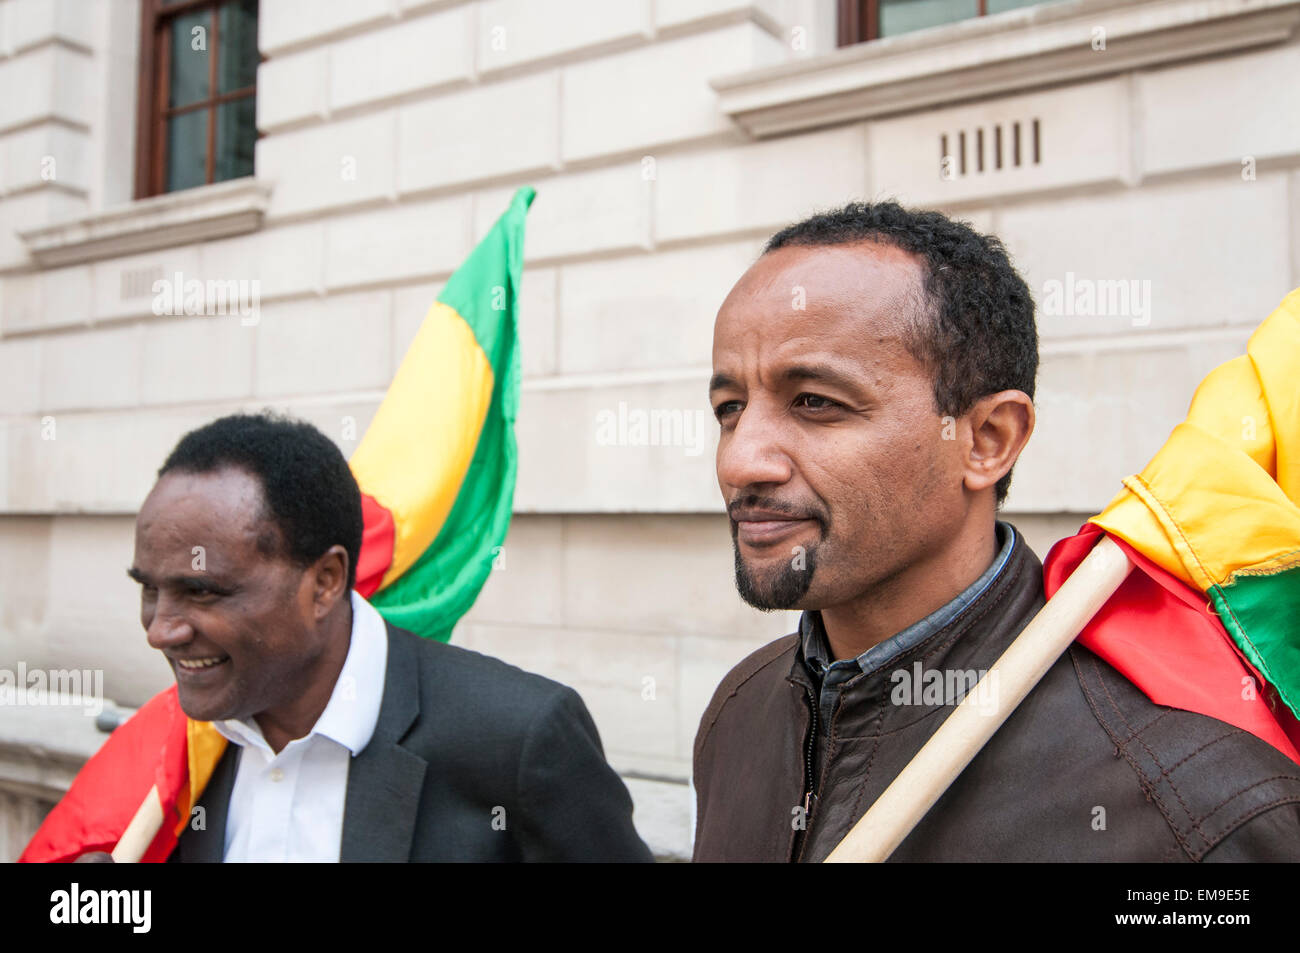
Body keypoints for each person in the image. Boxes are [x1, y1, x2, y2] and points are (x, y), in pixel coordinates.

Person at [691, 201, 1300, 862]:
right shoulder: (738, 714)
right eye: (731, 408)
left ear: (987, 439)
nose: (740, 460)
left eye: (816, 402)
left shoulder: (1197, 808)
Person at [107, 412, 651, 862]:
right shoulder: (181, 750)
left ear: (324, 582)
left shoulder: (520, 737)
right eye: (149, 589)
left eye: (202, 592)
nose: (161, 630)